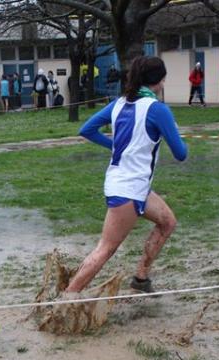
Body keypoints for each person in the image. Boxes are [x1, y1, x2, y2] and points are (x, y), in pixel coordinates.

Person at [67, 56, 187, 296]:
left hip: (135, 186)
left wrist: (113, 145)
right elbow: (181, 153)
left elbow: (87, 130)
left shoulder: (119, 103)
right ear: (160, 80)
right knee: (106, 249)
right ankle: (66, 298)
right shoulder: (158, 110)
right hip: (127, 189)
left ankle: (141, 278)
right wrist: (172, 129)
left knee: (167, 222)